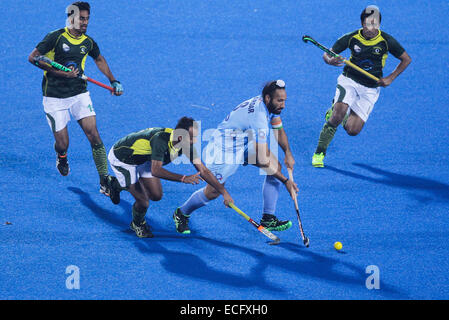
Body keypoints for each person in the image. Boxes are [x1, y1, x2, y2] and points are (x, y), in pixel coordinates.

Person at [173, 80, 299, 234]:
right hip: (223, 150)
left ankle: (268, 218)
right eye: (280, 101)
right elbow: (263, 155)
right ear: (267, 98)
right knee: (213, 191)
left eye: (284, 100)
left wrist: (288, 153)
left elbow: (278, 128)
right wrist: (286, 181)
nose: (283, 105)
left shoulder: (270, 105)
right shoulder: (259, 117)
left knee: (276, 167)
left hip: (243, 143)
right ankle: (181, 213)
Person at [28, 2, 123, 196]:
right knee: (63, 143)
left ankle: (104, 180)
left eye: (87, 19)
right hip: (54, 97)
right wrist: (63, 74)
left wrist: (113, 80)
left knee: (94, 135)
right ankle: (61, 155)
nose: (85, 23)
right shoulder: (55, 37)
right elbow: (34, 57)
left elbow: (99, 59)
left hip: (79, 93)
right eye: (81, 19)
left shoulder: (88, 42)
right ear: (71, 18)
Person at [311, 5, 411, 167]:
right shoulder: (351, 38)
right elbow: (326, 54)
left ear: (379, 24)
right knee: (338, 114)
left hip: (370, 88)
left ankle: (336, 111)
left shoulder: (386, 41)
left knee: (353, 130)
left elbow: (406, 59)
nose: (371, 28)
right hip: (349, 80)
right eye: (368, 24)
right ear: (362, 24)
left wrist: (391, 78)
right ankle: (319, 152)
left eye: (375, 24)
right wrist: (330, 60)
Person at [106, 117, 234, 238]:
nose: (194, 141)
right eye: (191, 138)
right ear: (180, 136)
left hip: (145, 160)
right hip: (123, 159)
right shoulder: (160, 140)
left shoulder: (185, 144)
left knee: (156, 195)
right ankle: (137, 223)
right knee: (143, 201)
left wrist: (224, 193)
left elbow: (204, 170)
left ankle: (117, 184)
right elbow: (156, 170)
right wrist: (183, 178)